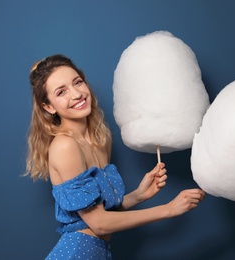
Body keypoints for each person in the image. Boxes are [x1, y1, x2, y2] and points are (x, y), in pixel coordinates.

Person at [26, 54, 205, 259]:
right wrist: (168, 209)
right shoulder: (65, 146)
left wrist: (139, 195)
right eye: (61, 92)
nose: (76, 94)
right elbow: (100, 224)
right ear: (48, 107)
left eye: (78, 82)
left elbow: (100, 213)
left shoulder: (100, 139)